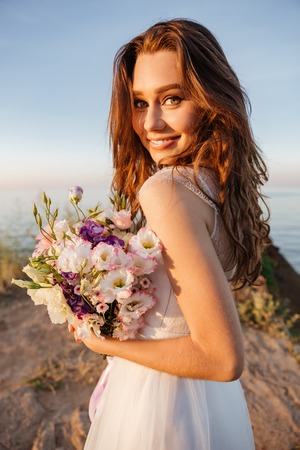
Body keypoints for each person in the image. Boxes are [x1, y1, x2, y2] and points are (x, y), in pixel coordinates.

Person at [70, 18, 270, 449]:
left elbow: (222, 358)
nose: (151, 123)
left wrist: (102, 342)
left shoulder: (168, 189)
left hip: (160, 405)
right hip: (209, 403)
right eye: (139, 103)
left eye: (173, 98)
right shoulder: (218, 184)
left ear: (212, 100)